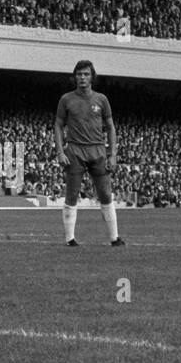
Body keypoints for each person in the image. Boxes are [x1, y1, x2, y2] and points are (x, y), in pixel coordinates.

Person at [55, 60, 124, 247]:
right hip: (75, 150)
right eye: (79, 74)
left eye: (85, 74)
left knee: (105, 193)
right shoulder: (66, 99)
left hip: (98, 149)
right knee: (72, 194)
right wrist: (60, 152)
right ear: (74, 77)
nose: (82, 77)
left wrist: (113, 154)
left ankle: (114, 238)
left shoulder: (101, 100)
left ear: (92, 77)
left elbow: (110, 127)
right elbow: (58, 125)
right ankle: (70, 239)